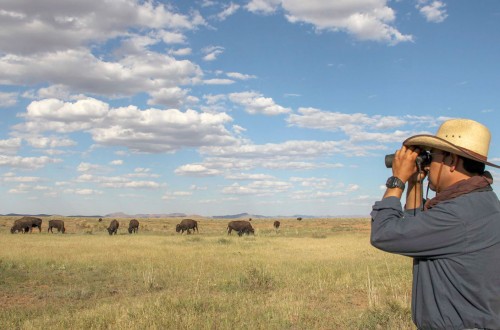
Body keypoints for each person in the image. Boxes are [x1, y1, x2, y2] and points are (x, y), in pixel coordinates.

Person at [370, 118, 500, 329]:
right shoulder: (479, 203)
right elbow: (417, 235)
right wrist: (415, 183)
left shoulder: (458, 215)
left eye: (434, 156)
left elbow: (383, 233)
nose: (428, 164)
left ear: (452, 162)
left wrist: (397, 180)